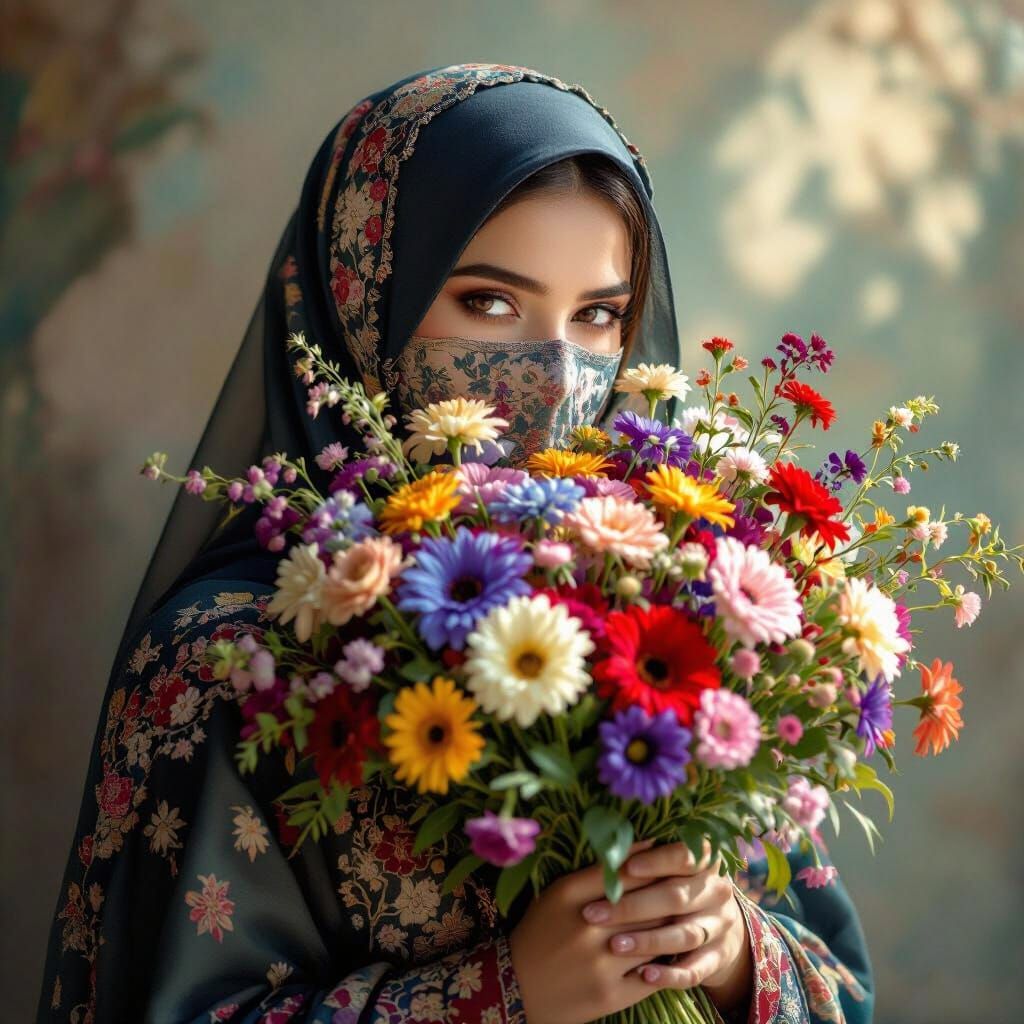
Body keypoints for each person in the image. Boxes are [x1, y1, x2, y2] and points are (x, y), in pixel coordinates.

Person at [35, 63, 874, 1023]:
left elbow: (843, 987)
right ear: (365, 306)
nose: (556, 375)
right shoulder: (231, 661)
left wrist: (727, 951)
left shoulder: (683, 610)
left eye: (598, 315)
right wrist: (495, 999)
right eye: (490, 303)